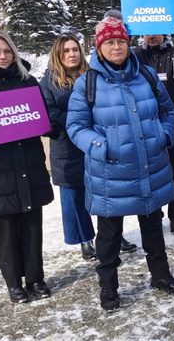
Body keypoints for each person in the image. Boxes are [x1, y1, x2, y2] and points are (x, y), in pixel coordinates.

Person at [66, 17, 174, 311]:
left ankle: (161, 276)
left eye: (120, 41)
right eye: (109, 42)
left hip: (149, 166)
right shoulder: (87, 83)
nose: (116, 46)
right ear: (99, 47)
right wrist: (101, 146)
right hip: (110, 173)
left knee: (153, 227)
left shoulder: (145, 75)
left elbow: (168, 110)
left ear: (127, 43)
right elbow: (76, 127)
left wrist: (165, 134)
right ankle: (108, 288)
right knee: (108, 236)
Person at [40, 35, 136, 261]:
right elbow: (50, 113)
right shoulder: (48, 83)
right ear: (58, 55)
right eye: (66, 51)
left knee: (108, 193)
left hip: (97, 143)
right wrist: (80, 120)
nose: (72, 54)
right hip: (67, 148)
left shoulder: (93, 76)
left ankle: (113, 235)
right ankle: (85, 239)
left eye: (75, 50)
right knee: (75, 197)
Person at [0, 29, 54, 303]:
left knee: (31, 225)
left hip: (28, 163)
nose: (2, 56)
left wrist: (54, 126)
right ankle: (14, 283)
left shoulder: (27, 81)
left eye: (6, 51)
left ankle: (36, 277)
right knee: (4, 229)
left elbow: (41, 115)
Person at [133, 24, 174, 235]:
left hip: (171, 122)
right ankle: (156, 214)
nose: (151, 36)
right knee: (150, 171)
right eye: (147, 31)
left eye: (155, 31)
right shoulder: (135, 55)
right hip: (145, 123)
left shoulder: (172, 52)